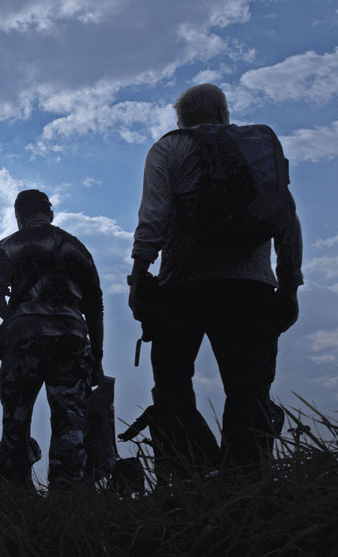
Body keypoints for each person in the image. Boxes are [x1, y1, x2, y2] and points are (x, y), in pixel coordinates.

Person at [128, 83, 303, 470]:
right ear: (224, 114)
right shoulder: (257, 149)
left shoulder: (169, 147)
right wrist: (290, 285)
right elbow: (287, 219)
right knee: (250, 390)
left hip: (181, 288)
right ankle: (245, 484)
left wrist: (139, 275)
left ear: (181, 120)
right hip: (250, 288)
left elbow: (153, 216)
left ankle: (199, 473)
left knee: (172, 389)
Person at [0, 189, 104, 488]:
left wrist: (13, 317)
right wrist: (97, 357)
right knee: (69, 420)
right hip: (71, 338)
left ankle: (16, 491)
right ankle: (67, 491)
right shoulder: (76, 247)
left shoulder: (8, 245)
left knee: (16, 418)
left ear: (18, 215)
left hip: (23, 338)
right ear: (49, 213)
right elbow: (95, 306)